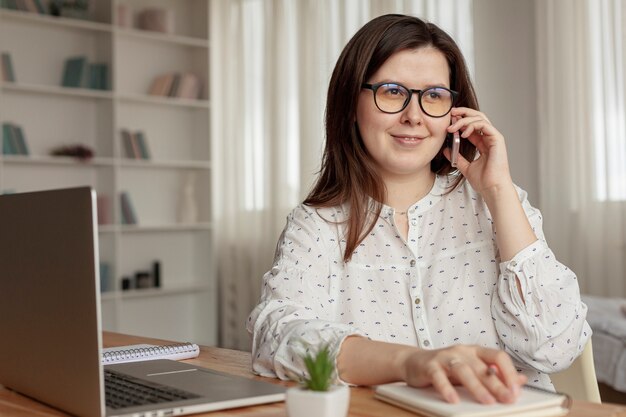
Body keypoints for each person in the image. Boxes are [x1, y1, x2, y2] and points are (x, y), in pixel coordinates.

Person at [247, 14, 591, 405]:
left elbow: (557, 346)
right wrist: (413, 362)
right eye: (392, 92)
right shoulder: (317, 224)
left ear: (453, 113)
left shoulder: (498, 204)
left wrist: (498, 190)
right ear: (350, 107)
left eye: (434, 96)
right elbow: (276, 336)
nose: (414, 116)